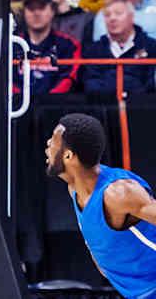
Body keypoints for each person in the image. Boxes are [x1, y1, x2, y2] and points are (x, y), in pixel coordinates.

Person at [45, 113, 156, 298]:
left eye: (53, 140)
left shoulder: (118, 193)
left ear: (68, 155)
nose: (48, 144)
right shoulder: (74, 189)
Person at [81, 0, 156, 94]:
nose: (112, 18)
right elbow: (90, 83)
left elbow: (151, 84)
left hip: (141, 106)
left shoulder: (151, 46)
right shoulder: (93, 50)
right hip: (104, 105)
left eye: (118, 13)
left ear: (131, 17)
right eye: (107, 15)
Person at [14, 0, 81, 95]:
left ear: (52, 11)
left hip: (55, 106)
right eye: (31, 8)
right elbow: (6, 78)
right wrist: (22, 98)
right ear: (24, 12)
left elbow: (69, 78)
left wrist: (48, 100)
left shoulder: (69, 45)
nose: (36, 13)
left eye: (41, 8)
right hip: (18, 106)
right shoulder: (13, 45)